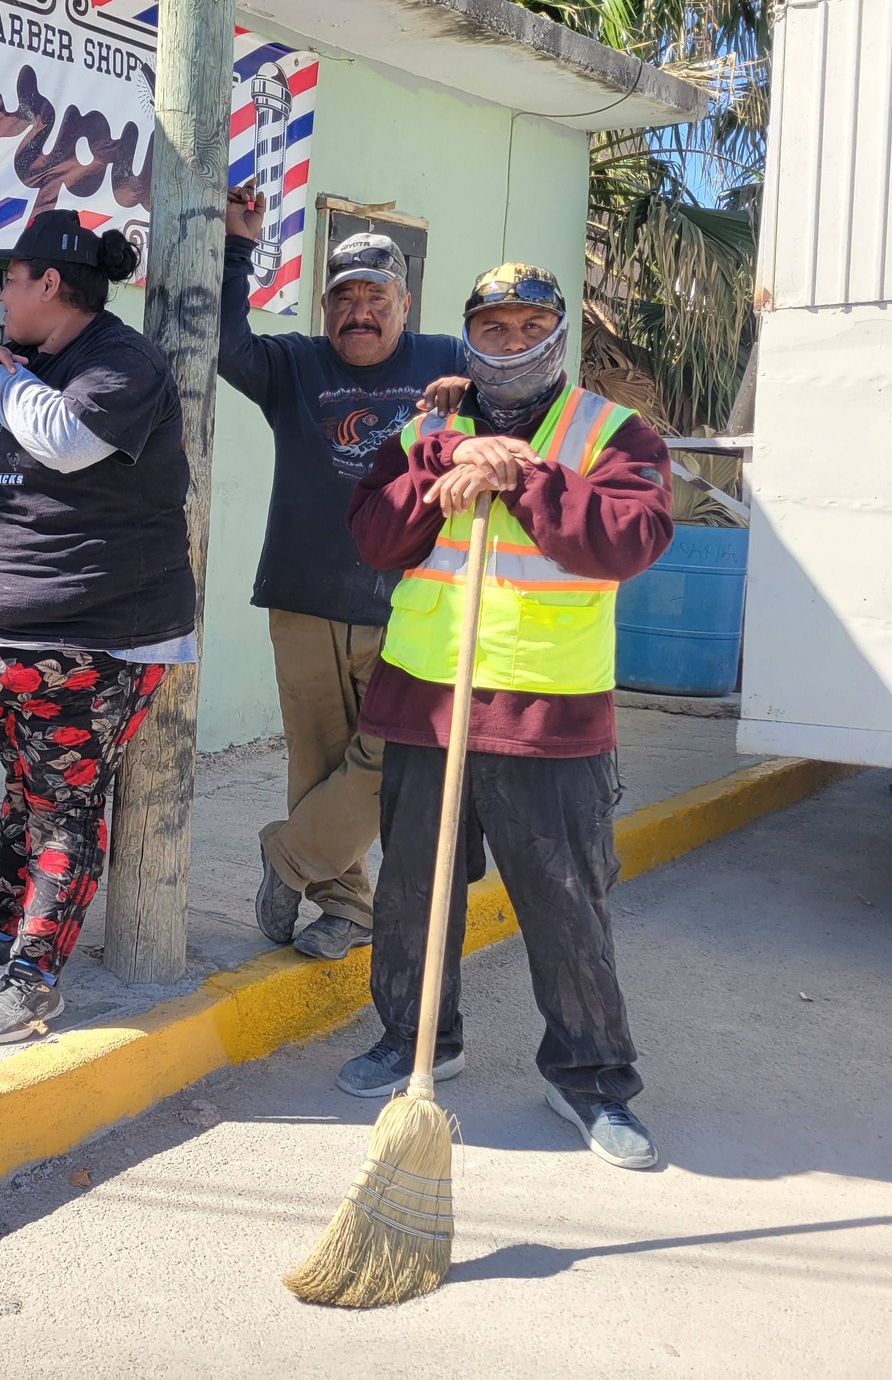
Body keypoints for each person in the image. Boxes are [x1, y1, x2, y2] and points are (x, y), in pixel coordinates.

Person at [344, 262, 673, 1170]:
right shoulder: (425, 430)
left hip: (546, 708)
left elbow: (629, 538)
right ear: (469, 336)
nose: (511, 342)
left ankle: (591, 1079)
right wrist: (448, 462)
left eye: (531, 327)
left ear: (560, 336)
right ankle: (416, 1040)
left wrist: (518, 476)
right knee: (413, 893)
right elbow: (374, 534)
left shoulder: (612, 433)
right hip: (429, 698)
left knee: (566, 904)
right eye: (493, 328)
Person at [0, 210, 196, 1046]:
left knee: (64, 807)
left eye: (9, 281)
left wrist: (0, 380)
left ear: (50, 283)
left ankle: (35, 975)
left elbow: (66, 441)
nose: (0, 296)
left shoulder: (121, 363)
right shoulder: (13, 362)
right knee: (26, 795)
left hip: (89, 638)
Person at [219, 195, 470, 961]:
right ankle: (347, 906)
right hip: (306, 595)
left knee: (400, 753)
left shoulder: (449, 362)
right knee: (320, 758)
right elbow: (225, 346)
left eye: (376, 298)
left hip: (415, 602)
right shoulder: (295, 365)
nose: (360, 313)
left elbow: (525, 405)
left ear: (405, 304)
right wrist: (236, 249)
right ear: (325, 307)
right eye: (345, 298)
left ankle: (291, 855)